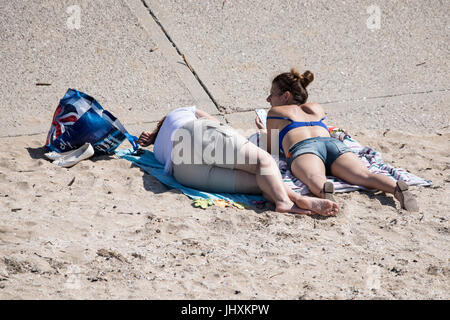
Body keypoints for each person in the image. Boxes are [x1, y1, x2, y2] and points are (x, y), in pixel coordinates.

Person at [259, 68, 418, 211]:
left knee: (315, 177)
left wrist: (263, 130)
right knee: (364, 175)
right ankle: (397, 188)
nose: (268, 99)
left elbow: (271, 151)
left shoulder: (276, 112)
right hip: (333, 144)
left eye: (272, 94)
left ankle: (326, 192)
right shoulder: (316, 108)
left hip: (304, 149)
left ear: (285, 96)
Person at [137, 106, 339, 216]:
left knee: (262, 180)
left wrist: (154, 136)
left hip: (183, 172)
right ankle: (285, 202)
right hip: (192, 136)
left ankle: (296, 199)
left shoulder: (157, 148)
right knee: (264, 161)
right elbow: (217, 126)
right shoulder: (183, 111)